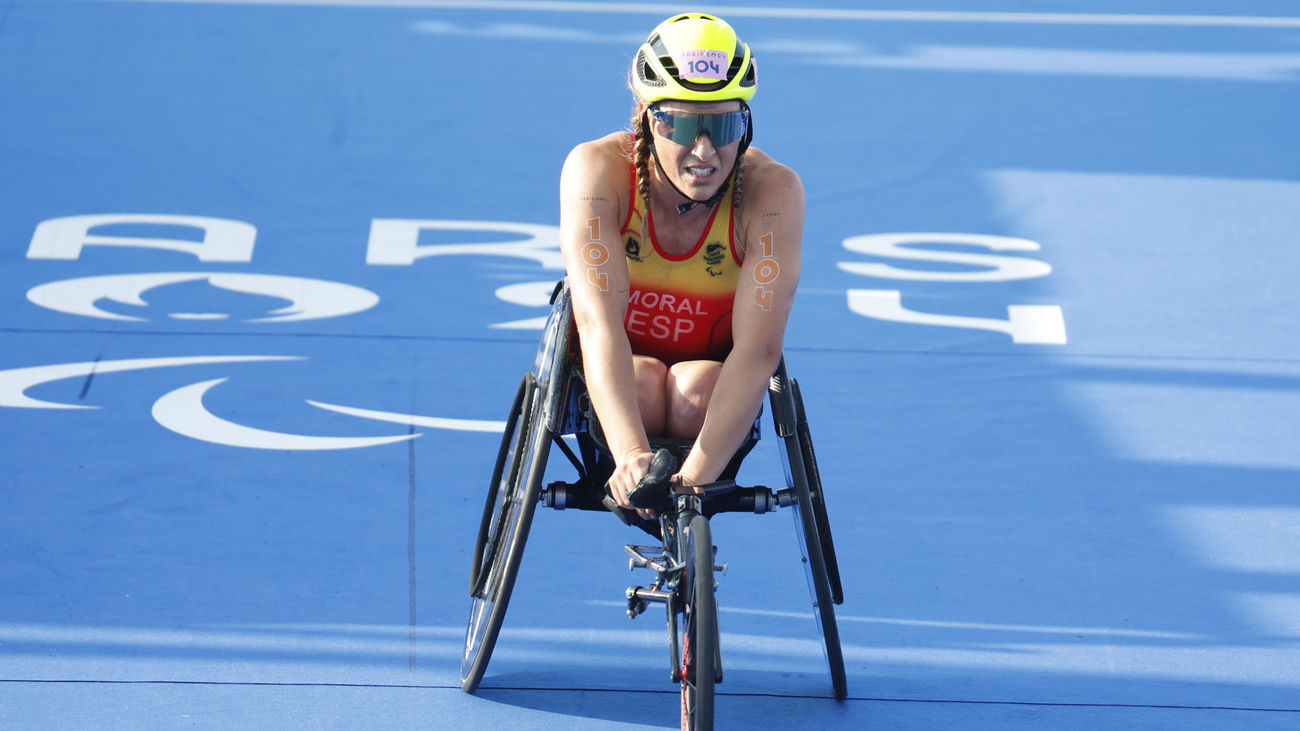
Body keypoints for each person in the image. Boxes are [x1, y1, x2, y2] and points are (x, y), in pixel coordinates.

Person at [559, 12, 804, 520]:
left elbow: (759, 350)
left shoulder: (773, 192)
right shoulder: (597, 171)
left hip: (713, 389)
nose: (705, 151)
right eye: (684, 124)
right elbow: (597, 325)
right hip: (624, 380)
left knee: (695, 388)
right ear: (650, 119)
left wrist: (694, 478)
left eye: (723, 125)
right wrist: (628, 456)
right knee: (645, 381)